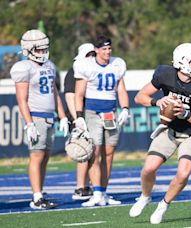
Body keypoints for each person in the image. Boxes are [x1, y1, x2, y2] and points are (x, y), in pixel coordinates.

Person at [131, 43, 191, 224]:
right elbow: (139, 97)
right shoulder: (165, 74)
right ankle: (145, 197)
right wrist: (158, 102)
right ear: (181, 62)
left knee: (184, 173)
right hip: (169, 129)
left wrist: (185, 113)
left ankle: (164, 204)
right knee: (148, 169)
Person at [10, 29, 69, 209]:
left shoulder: (50, 65)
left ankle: (40, 193)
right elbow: (21, 99)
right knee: (36, 156)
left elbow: (54, 93)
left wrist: (63, 116)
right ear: (28, 49)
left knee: (45, 157)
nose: (43, 53)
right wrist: (29, 123)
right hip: (35, 116)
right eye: (39, 49)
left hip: (49, 117)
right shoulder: (24, 67)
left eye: (44, 49)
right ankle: (36, 197)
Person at [73, 35, 130, 207]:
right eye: (103, 49)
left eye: (109, 48)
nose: (107, 52)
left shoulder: (117, 64)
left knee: (109, 154)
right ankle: (96, 192)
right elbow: (79, 94)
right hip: (92, 112)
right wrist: (79, 116)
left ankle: (104, 192)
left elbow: (121, 89)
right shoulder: (87, 65)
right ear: (96, 50)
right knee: (95, 152)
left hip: (110, 113)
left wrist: (125, 108)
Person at [64, 43, 96, 200]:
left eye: (93, 54)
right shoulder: (73, 72)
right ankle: (79, 187)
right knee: (83, 150)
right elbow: (70, 96)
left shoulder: (94, 71)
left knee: (93, 153)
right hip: (80, 117)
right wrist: (77, 119)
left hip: (92, 115)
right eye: (88, 54)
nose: (91, 58)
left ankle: (89, 185)